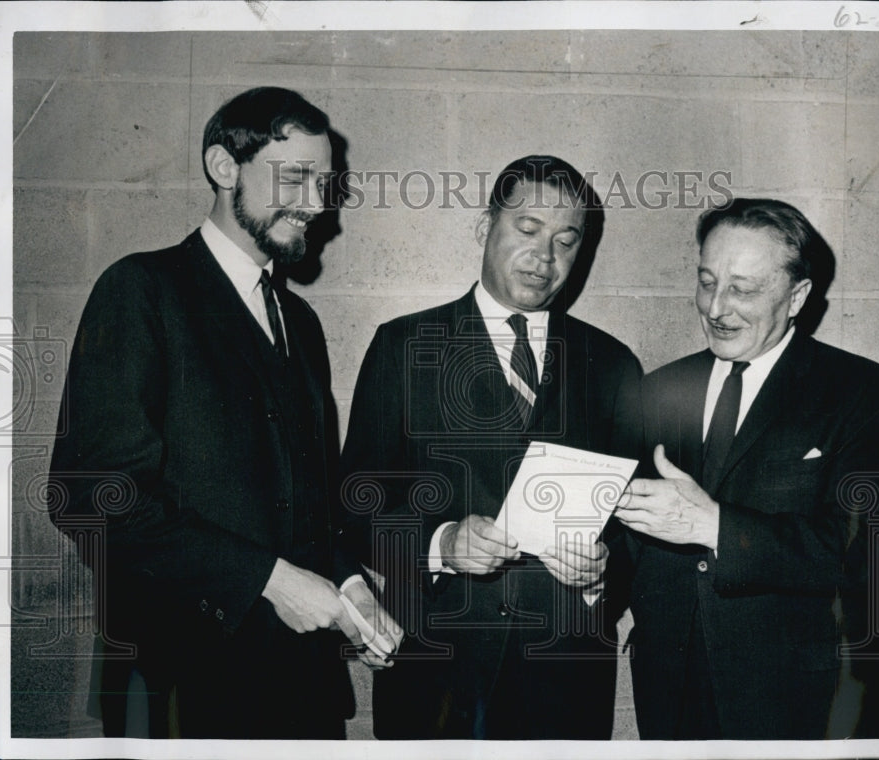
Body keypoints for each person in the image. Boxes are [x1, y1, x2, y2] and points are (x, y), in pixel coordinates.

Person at [47, 87, 401, 739]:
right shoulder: (140, 291)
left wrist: (350, 586)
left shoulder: (302, 322)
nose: (317, 203)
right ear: (222, 165)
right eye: (295, 178)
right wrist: (269, 580)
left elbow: (310, 507)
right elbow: (91, 497)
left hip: (304, 693)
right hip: (181, 687)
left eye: (323, 183)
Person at [340, 155, 642, 739]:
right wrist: (441, 543)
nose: (544, 257)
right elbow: (355, 508)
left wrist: (602, 575)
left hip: (564, 683)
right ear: (485, 229)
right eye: (527, 230)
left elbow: (635, 532)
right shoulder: (403, 346)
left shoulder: (612, 366)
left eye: (565, 240)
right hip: (436, 677)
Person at [616, 198, 879, 739]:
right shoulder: (657, 390)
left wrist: (716, 526)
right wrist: (593, 567)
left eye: (743, 289)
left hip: (806, 704)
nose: (716, 308)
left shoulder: (863, 394)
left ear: (797, 296)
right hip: (673, 698)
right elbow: (632, 543)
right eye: (707, 281)